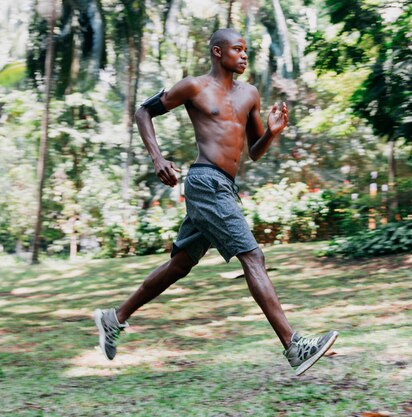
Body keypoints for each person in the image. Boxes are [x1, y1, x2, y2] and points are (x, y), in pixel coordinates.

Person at [94, 28, 337, 376]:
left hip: (224, 184)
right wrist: (157, 159)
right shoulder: (194, 87)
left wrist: (270, 132)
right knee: (253, 256)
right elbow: (142, 113)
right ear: (217, 52)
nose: (244, 55)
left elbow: (253, 153)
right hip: (205, 182)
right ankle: (294, 346)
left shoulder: (249, 94)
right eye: (237, 49)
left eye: (246, 50)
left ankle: (114, 318)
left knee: (179, 265)